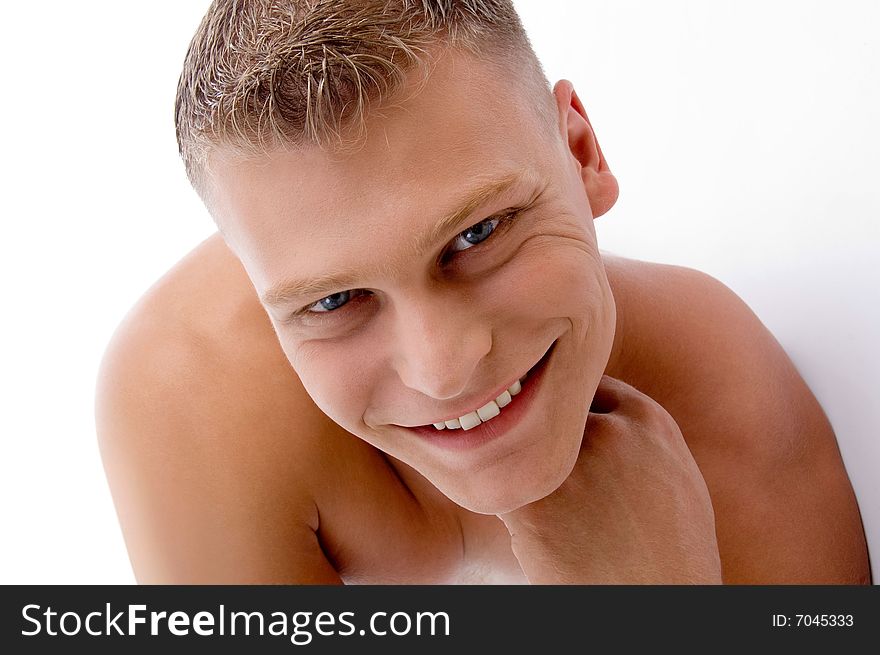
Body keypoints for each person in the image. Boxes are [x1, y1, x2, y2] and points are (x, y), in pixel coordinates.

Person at [96, 0, 871, 584]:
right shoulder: (192, 387)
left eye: (478, 234)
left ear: (582, 152)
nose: (444, 368)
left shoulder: (733, 434)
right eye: (334, 301)